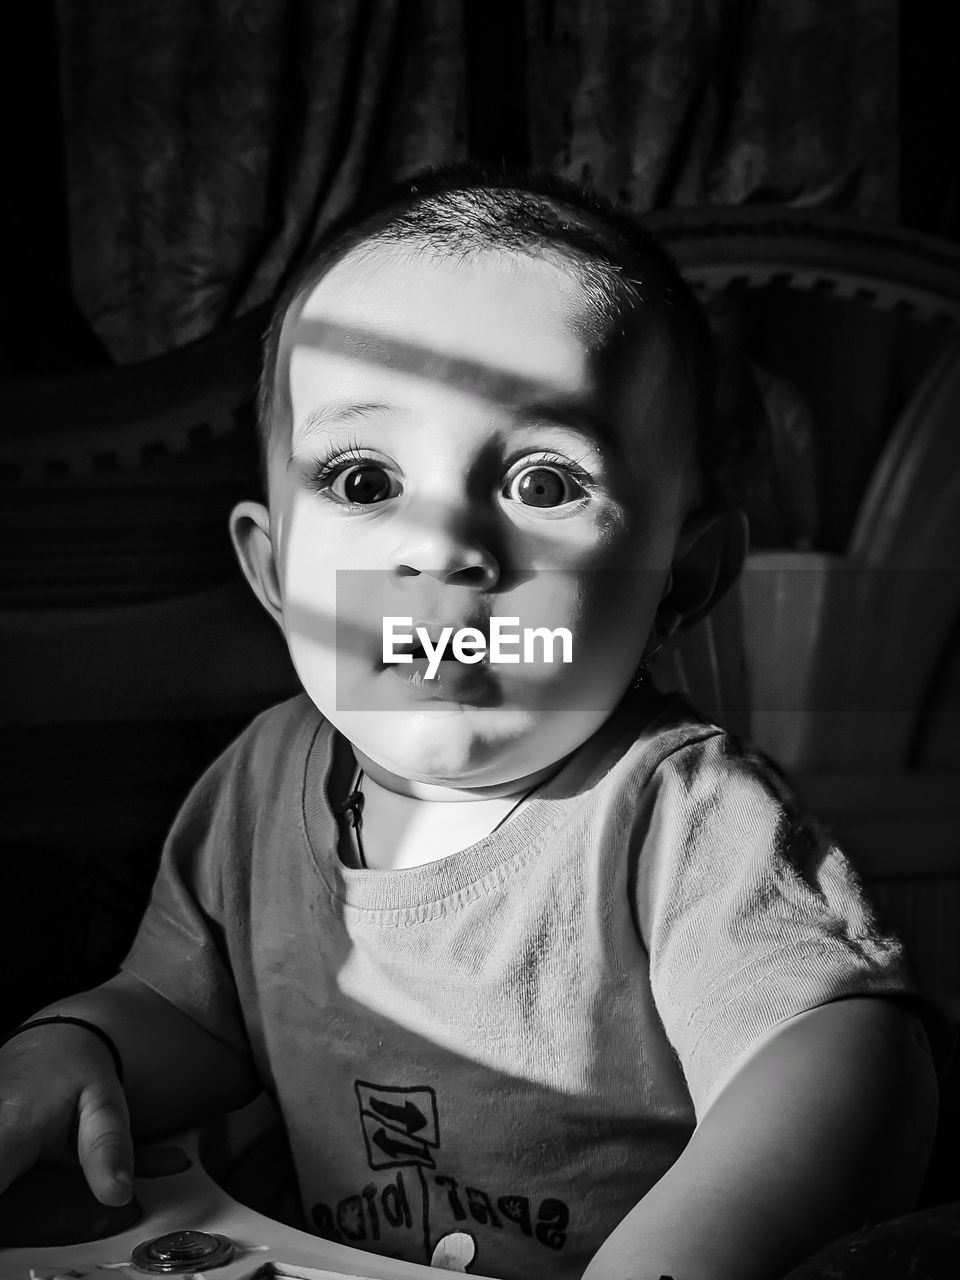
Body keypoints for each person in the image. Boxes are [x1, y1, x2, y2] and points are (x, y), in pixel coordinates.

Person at [0, 167, 943, 1280]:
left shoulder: (678, 817)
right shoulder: (258, 784)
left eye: (544, 482)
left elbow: (843, 1055)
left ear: (679, 585)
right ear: (272, 569)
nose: (443, 549)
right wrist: (82, 1041)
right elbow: (191, 1009)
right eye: (363, 477)